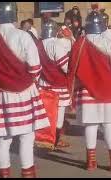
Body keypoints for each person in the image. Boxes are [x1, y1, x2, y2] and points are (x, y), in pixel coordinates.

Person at [0, 2, 50, 178]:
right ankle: (28, 174)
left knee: (4, 139)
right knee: (26, 136)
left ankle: (5, 175)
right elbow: (35, 67)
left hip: (1, 94)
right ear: (14, 14)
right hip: (24, 91)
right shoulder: (23, 36)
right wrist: (25, 79)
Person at [68, 10, 111, 171]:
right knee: (109, 125)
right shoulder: (107, 42)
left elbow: (71, 69)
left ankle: (91, 162)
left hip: (85, 91)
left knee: (90, 126)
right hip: (109, 91)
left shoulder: (78, 44)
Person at [37, 20, 72, 149]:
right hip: (58, 85)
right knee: (59, 115)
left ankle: (43, 137)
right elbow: (66, 66)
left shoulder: (38, 44)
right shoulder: (56, 45)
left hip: (43, 84)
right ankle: (55, 140)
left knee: (45, 113)